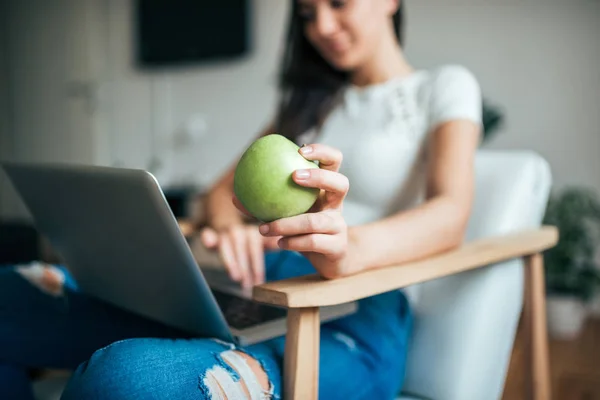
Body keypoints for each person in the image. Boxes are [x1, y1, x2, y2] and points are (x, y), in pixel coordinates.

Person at [0, 0, 482, 398]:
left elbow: (450, 212)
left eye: (337, 5)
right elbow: (217, 195)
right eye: (308, 14)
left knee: (125, 380)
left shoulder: (441, 87)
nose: (322, 27)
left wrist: (347, 249)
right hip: (244, 292)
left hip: (353, 315)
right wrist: (232, 231)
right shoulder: (309, 105)